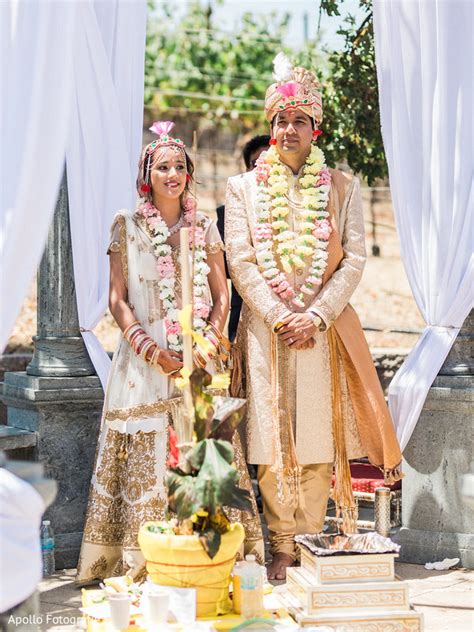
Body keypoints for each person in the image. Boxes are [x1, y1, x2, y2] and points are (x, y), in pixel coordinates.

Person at [225, 54, 403, 580]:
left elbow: (354, 258)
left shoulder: (343, 187)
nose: (288, 129)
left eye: (299, 120)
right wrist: (280, 313)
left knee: (317, 439)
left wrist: (317, 315)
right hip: (266, 330)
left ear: (314, 127)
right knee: (270, 439)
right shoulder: (243, 190)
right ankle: (280, 542)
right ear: (270, 126)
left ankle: (310, 537)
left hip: (323, 333)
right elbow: (240, 257)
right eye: (280, 119)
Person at [76, 122, 263, 583]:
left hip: (199, 357)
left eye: (180, 166)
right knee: (146, 443)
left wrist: (207, 342)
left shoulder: (203, 225)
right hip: (143, 362)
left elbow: (223, 295)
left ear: (189, 175)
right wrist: (149, 348)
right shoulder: (128, 224)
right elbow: (117, 298)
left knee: (204, 443)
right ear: (148, 176)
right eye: (163, 167)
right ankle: (138, 558)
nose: (173, 173)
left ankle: (211, 552)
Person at [216, 135, 270, 342]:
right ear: (247, 169)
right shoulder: (229, 212)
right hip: (244, 314)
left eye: (270, 162)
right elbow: (227, 268)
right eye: (256, 164)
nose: (262, 170)